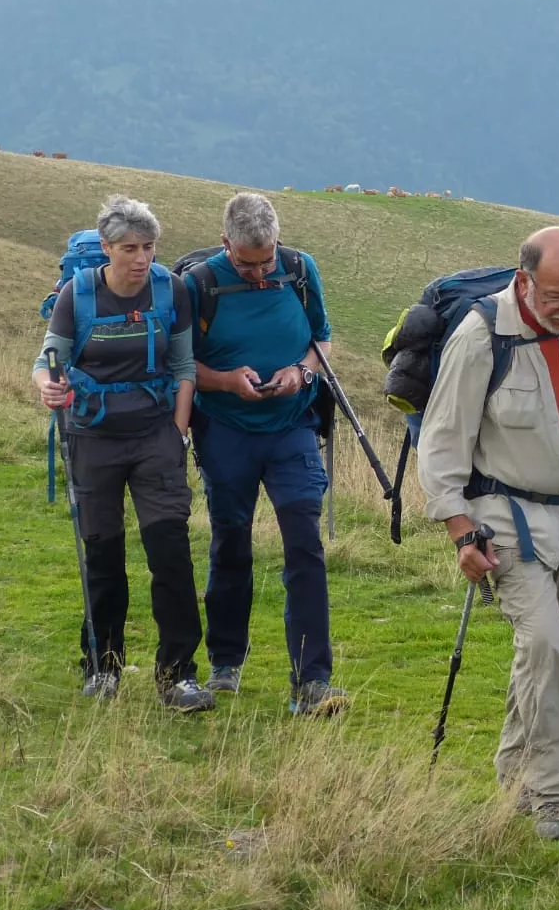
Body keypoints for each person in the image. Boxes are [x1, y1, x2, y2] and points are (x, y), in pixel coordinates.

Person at [416, 227, 559, 844]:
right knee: (548, 645)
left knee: (547, 653)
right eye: (557, 296)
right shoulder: (480, 337)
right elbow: (442, 443)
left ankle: (516, 777)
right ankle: (557, 797)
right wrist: (460, 530)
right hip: (506, 522)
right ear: (524, 283)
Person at [33, 195, 213, 712]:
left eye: (149, 247)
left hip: (156, 435)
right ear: (107, 249)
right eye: (130, 248)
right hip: (92, 436)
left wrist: (177, 433)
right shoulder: (78, 294)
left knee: (170, 551)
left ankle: (178, 675)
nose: (141, 258)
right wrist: (48, 386)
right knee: (103, 552)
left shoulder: (170, 289)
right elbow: (48, 360)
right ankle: (102, 666)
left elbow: (183, 366)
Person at [184, 192, 345, 716]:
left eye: (266, 261)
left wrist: (301, 373)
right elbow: (179, 362)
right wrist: (227, 382)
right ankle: (226, 662)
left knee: (305, 540)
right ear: (225, 242)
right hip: (226, 428)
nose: (258, 273)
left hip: (291, 425)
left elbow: (321, 340)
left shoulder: (300, 270)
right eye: (247, 264)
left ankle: (312, 682)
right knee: (231, 541)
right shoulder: (199, 283)